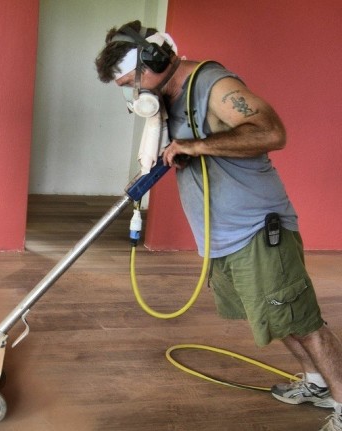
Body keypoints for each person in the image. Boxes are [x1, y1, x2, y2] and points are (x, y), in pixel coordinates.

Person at [95, 19, 342, 431]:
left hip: (258, 228)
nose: (132, 92)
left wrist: (196, 145)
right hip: (221, 234)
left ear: (153, 60)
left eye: (129, 81)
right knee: (271, 315)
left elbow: (271, 131)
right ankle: (316, 383)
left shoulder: (214, 84)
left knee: (303, 322)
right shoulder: (168, 98)